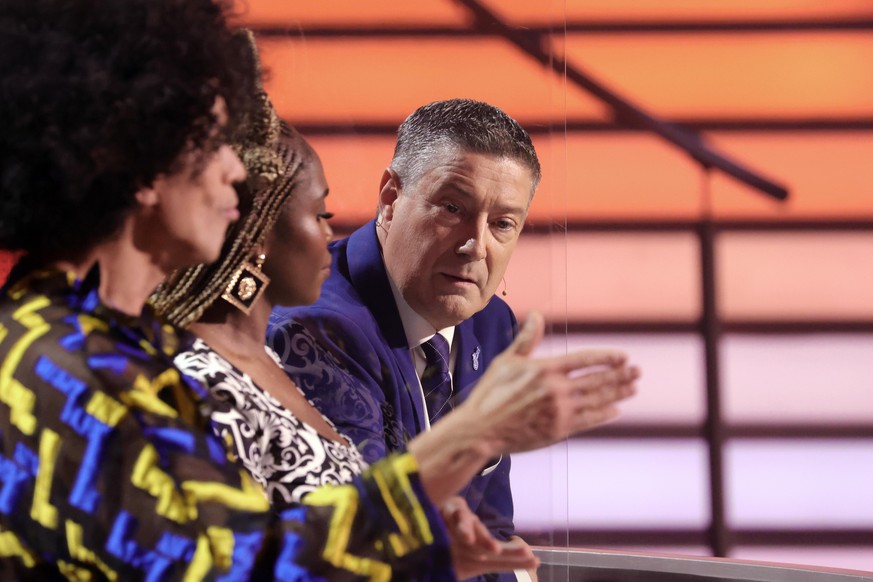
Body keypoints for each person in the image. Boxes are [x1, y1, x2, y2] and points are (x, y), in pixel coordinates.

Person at [0, 4, 637, 577]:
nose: (236, 169)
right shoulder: (60, 367)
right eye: (215, 141)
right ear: (138, 162)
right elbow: (235, 568)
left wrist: (421, 546)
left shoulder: (99, 345)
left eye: (504, 223)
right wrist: (469, 440)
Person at [267, 99, 596, 574]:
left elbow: (490, 528)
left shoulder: (492, 323)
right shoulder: (317, 330)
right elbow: (361, 545)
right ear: (390, 199)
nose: (475, 245)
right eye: (452, 208)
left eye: (503, 223)